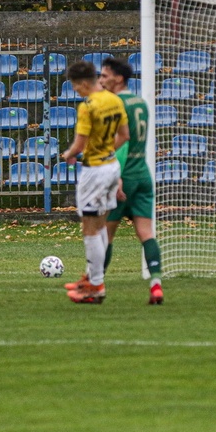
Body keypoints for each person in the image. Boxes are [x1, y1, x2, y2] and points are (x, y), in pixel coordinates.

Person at [89, 56, 164, 304]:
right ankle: (156, 284)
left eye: (105, 75)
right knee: (146, 233)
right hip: (143, 173)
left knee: (105, 235)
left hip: (123, 175)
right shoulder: (140, 102)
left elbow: (122, 140)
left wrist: (117, 176)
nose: (101, 79)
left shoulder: (115, 103)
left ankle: (95, 286)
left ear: (118, 78)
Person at [60, 61, 129, 304]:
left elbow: (79, 145)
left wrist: (68, 155)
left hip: (95, 171)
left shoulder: (87, 106)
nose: (75, 90)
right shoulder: (114, 99)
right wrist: (107, 152)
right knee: (100, 225)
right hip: (112, 167)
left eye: (75, 86)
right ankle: (92, 279)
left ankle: (95, 285)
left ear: (83, 83)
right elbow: (124, 135)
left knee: (89, 226)